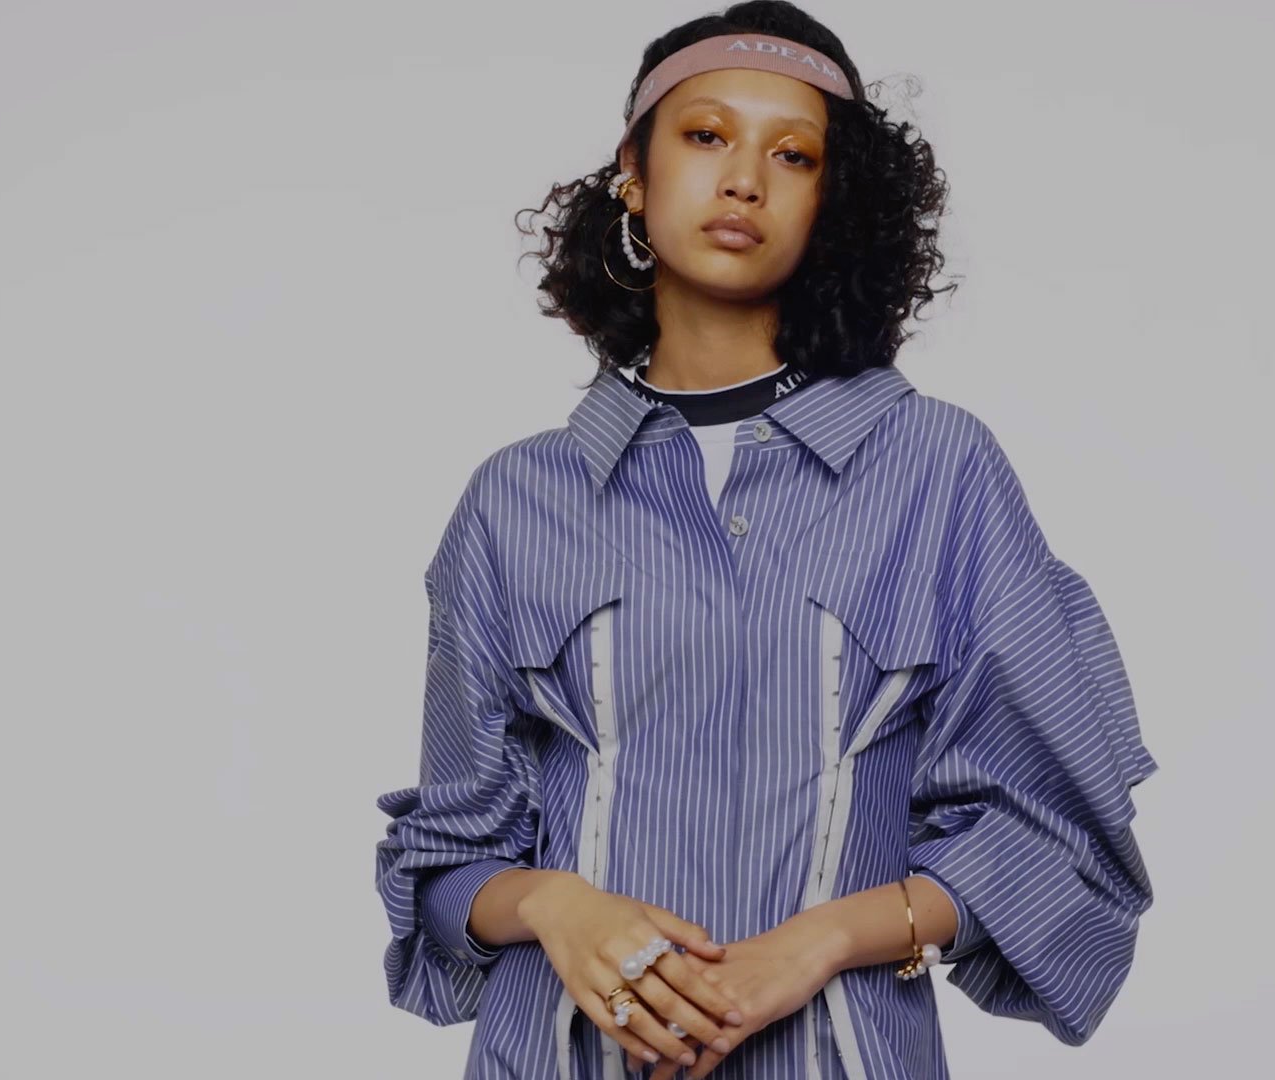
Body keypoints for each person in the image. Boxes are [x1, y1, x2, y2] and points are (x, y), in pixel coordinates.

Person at [372, 4, 1160, 1077]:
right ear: (634, 177)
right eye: (705, 136)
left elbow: (1054, 839)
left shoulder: (938, 470)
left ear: (830, 206)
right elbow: (449, 858)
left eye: (793, 155)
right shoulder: (517, 499)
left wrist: (825, 939)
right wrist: (557, 905)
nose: (744, 178)